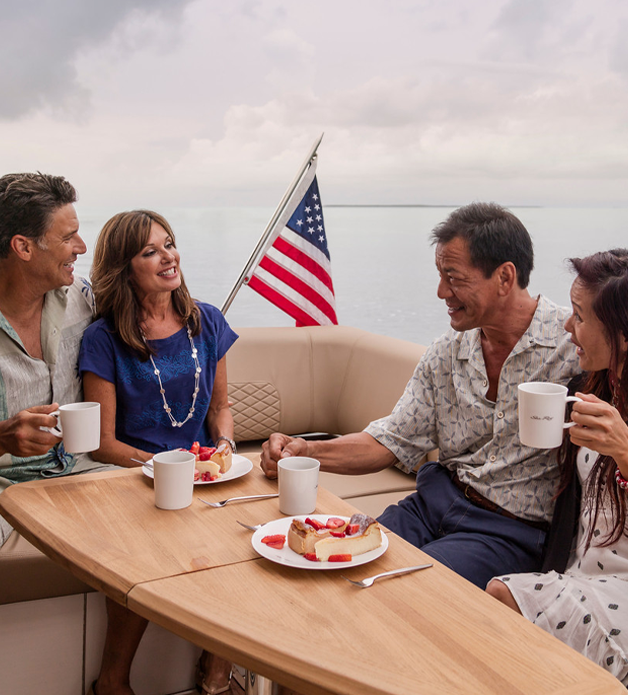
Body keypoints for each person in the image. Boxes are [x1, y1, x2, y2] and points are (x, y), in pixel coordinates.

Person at [261, 202, 581, 588]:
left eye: (454, 277)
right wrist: (304, 451)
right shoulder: (446, 352)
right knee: (329, 561)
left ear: (504, 277)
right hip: (432, 505)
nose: (441, 291)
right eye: (439, 275)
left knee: (398, 589)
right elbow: (391, 440)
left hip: (510, 532)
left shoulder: (574, 348)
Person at [79, 210, 238, 695]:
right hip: (133, 475)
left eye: (169, 244)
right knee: (140, 559)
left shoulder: (207, 321)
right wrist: (163, 468)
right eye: (150, 251)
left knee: (242, 543)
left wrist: (226, 449)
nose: (169, 256)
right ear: (125, 269)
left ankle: (219, 665)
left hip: (209, 475)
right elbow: (102, 443)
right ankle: (112, 682)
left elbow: (222, 410)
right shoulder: (102, 339)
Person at [487, 250, 628, 685]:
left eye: (581, 317)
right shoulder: (592, 388)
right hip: (581, 572)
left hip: (620, 588)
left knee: (500, 595)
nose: (568, 327)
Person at [0, 172, 111, 547]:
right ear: (23, 247)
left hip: (81, 468)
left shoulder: (82, 296)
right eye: (67, 237)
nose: (81, 247)